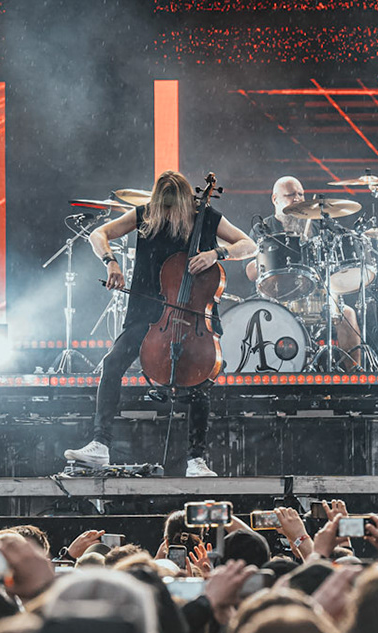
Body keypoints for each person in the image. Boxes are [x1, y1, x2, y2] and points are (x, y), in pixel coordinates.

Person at [65, 171, 254, 478]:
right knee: (112, 364)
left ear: (184, 204)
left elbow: (249, 245)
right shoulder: (145, 214)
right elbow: (97, 234)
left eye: (171, 208)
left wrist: (216, 254)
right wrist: (110, 261)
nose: (165, 214)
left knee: (200, 383)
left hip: (195, 316)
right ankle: (100, 445)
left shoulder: (205, 217)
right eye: (161, 207)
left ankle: (197, 459)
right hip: (146, 313)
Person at [245, 175, 361, 365]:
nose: (298, 199)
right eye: (290, 195)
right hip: (276, 298)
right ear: (275, 199)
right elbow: (250, 272)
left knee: (347, 314)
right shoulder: (263, 228)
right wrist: (276, 256)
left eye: (301, 194)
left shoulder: (316, 225)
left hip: (312, 296)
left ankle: (355, 378)